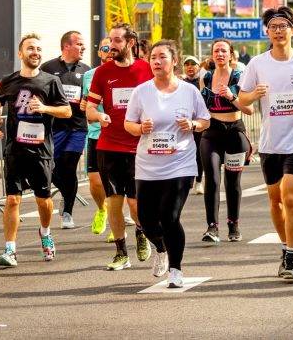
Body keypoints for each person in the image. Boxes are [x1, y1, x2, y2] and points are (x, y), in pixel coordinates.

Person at [238, 6, 293, 282]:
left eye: (283, 26)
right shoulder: (257, 64)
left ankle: (292, 253)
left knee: (290, 195)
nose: (278, 31)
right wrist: (255, 93)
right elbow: (242, 99)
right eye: (273, 26)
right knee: (275, 199)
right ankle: (285, 246)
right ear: (267, 31)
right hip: (270, 142)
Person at [124, 40, 211, 288]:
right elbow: (128, 124)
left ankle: (176, 269)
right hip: (148, 165)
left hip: (180, 163)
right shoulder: (141, 92)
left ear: (174, 61)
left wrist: (192, 125)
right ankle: (160, 248)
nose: (156, 62)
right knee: (145, 219)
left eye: (162, 57)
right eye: (153, 57)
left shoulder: (188, 91)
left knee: (170, 216)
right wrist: (140, 128)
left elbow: (205, 120)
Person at [0, 34, 72, 267]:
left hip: (41, 151)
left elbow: (66, 111)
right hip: (15, 149)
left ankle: (45, 233)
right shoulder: (9, 81)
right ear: (20, 54)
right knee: (13, 200)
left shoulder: (50, 82)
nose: (35, 52)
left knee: (43, 201)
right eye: (30, 48)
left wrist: (45, 108)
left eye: (38, 48)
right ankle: (10, 250)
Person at [86, 23, 154, 270]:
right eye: (110, 41)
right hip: (109, 145)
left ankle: (141, 231)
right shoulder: (102, 72)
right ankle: (121, 253)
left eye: (116, 41)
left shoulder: (146, 70)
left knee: (136, 204)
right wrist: (98, 116)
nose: (111, 46)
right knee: (114, 201)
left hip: (140, 146)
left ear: (130, 43)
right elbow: (90, 107)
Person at [198, 40, 254, 242]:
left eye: (223, 51)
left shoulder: (239, 77)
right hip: (212, 132)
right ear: (212, 55)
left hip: (234, 133)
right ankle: (212, 227)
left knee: (232, 182)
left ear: (231, 55)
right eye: (216, 51)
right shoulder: (206, 77)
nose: (220, 54)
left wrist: (232, 97)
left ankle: (233, 224)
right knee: (212, 179)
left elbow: (249, 110)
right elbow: (201, 107)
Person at [40, 31, 91, 229]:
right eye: (79, 44)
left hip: (78, 127)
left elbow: (91, 96)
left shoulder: (86, 71)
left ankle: (68, 212)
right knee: (53, 169)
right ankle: (67, 193)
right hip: (54, 127)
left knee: (69, 168)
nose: (83, 48)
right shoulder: (48, 68)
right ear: (66, 46)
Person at [80, 38, 113, 236]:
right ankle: (102, 209)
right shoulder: (89, 75)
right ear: (99, 52)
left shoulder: (125, 73)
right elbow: (85, 102)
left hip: (117, 133)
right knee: (95, 181)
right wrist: (85, 106)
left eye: (113, 48)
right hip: (95, 133)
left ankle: (114, 219)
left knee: (115, 181)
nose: (109, 51)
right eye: (105, 48)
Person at [181, 55, 204, 194]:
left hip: (198, 123)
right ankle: (187, 180)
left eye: (193, 64)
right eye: (187, 64)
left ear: (198, 67)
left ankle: (199, 181)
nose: (190, 67)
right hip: (183, 123)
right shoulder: (180, 83)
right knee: (184, 152)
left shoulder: (203, 82)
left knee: (198, 153)